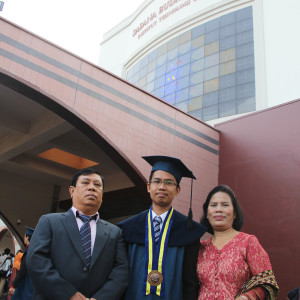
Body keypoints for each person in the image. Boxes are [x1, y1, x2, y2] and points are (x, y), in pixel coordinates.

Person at [26, 168, 129, 300]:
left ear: (102, 194)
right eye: (85, 183)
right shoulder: (49, 222)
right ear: (72, 191)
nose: (92, 188)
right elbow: (36, 260)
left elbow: (121, 270)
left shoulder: (115, 232)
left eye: (97, 185)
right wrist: (68, 293)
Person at [118, 155, 206, 300]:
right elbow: (120, 274)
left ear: (178, 189)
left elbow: (190, 281)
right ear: (148, 187)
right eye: (157, 181)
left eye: (169, 182)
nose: (162, 187)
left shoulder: (188, 230)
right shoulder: (128, 228)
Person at [197, 184, 279, 299]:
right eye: (214, 205)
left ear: (235, 213)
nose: (219, 209)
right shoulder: (200, 248)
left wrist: (246, 297)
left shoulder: (248, 242)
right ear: (207, 213)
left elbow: (267, 283)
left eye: (225, 205)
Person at [9, 227, 34, 300]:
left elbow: (23, 269)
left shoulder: (27, 252)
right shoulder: (34, 251)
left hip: (26, 283)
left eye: (24, 236)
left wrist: (13, 285)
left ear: (27, 237)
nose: (24, 238)